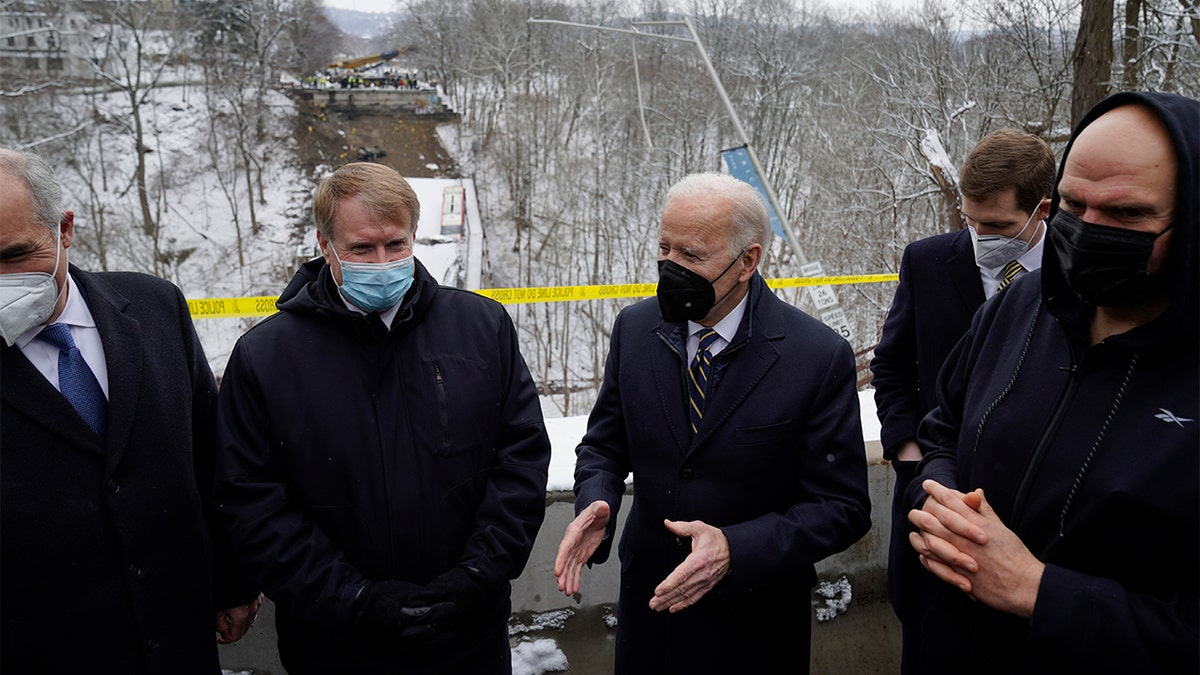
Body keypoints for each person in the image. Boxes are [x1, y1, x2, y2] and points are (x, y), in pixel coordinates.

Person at [213, 162, 552, 674]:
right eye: (361, 249)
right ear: (325, 246)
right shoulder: (266, 358)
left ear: (415, 236)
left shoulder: (482, 328)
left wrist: (479, 573)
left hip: (467, 633)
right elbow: (252, 502)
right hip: (337, 644)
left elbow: (521, 459)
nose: (383, 261)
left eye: (396, 245)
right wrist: (352, 598)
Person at [905, 91, 1198, 673]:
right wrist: (940, 505)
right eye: (1072, 204)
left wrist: (1039, 591)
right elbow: (944, 428)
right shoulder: (1021, 304)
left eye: (1128, 214)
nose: (1088, 232)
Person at [554, 172, 872, 673]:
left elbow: (843, 507)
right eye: (665, 249)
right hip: (649, 618)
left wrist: (734, 548)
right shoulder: (635, 330)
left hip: (754, 624)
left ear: (748, 261)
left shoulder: (815, 356)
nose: (670, 268)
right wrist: (597, 497)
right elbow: (605, 445)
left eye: (692, 256)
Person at [0, 148, 261, 672]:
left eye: (14, 254)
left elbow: (213, 461)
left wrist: (232, 581)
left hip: (180, 638)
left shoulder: (155, 305)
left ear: (65, 230)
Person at [869, 128, 1055, 672]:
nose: (980, 238)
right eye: (971, 222)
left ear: (1041, 209)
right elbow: (893, 365)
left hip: (1030, 521)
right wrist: (908, 454)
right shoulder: (927, 262)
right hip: (932, 497)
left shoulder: (1080, 269)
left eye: (996, 226)